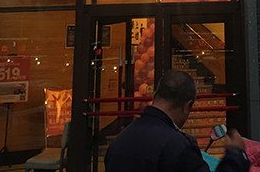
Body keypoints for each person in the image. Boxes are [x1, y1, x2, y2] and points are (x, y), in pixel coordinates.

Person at [104, 70, 250, 172]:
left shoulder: (119, 142)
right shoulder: (179, 146)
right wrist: (236, 155)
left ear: (154, 96)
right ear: (186, 106)